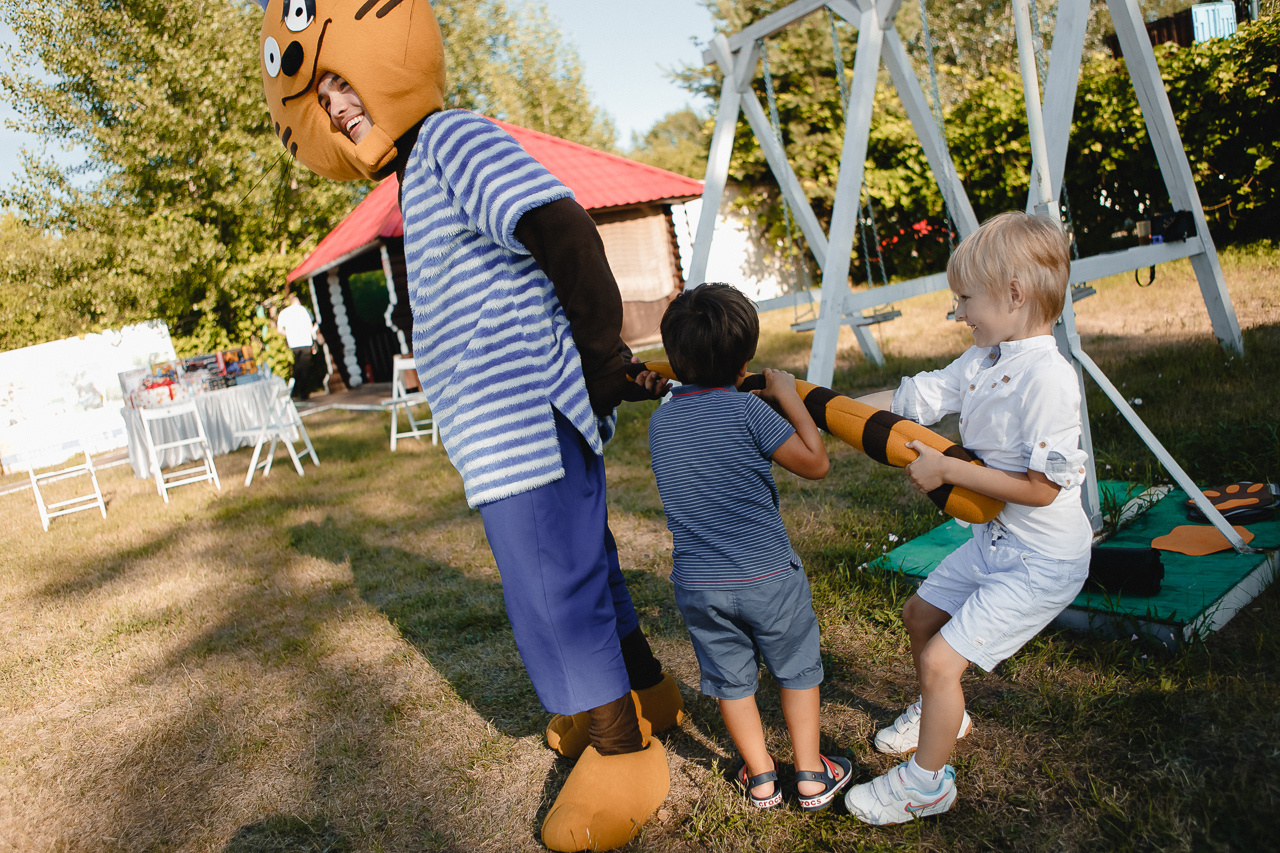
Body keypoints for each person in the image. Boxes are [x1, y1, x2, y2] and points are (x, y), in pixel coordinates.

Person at [294, 46, 682, 852]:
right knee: (588, 565)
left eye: (343, 80)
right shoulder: (421, 169)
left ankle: (625, 753)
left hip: (522, 417)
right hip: (505, 424)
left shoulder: (450, 139)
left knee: (551, 587)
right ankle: (644, 690)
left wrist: (603, 355)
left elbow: (561, 224)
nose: (334, 105)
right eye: (321, 94)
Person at [843, 211, 1093, 824]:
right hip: (997, 544)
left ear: (1013, 294)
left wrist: (950, 470)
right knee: (919, 615)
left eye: (964, 298)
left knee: (938, 660)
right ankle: (944, 712)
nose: (957, 312)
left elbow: (1040, 491)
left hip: (1042, 562)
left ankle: (926, 785)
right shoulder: (984, 359)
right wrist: (828, 406)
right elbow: (915, 400)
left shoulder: (1049, 379)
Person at [647, 283, 853, 812]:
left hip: (700, 585)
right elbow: (815, 463)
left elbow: (691, 410)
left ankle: (761, 779)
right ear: (745, 361)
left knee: (731, 680)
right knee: (797, 671)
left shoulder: (662, 421)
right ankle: (810, 775)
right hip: (768, 577)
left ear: (674, 356)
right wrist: (787, 399)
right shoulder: (749, 412)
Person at [276, 294, 316, 400]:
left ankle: (294, 390)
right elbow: (311, 327)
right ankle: (302, 391)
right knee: (304, 367)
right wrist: (314, 341)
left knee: (298, 366)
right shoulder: (304, 310)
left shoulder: (284, 313)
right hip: (305, 341)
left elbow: (279, 330)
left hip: (293, 343)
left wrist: (289, 334)